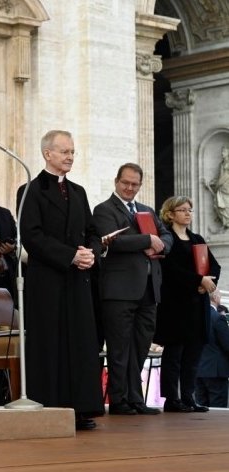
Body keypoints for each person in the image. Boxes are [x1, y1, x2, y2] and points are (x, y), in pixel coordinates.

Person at [19, 130, 104, 431]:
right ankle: (51, 407)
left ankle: (82, 408)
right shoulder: (30, 190)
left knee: (81, 343)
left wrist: (91, 252)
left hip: (78, 279)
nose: (70, 157)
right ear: (47, 154)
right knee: (50, 343)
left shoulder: (79, 191)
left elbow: (93, 231)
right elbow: (32, 236)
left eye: (72, 152)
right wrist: (70, 255)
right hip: (48, 280)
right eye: (64, 151)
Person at [92, 163, 172, 416]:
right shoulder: (103, 209)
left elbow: (167, 236)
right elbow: (112, 240)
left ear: (140, 185)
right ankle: (118, 400)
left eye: (134, 184)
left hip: (149, 290)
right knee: (119, 348)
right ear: (116, 181)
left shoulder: (147, 211)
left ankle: (135, 399)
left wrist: (161, 245)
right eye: (125, 182)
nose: (129, 188)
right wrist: (148, 240)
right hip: (118, 291)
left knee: (140, 346)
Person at [154, 196, 220, 413]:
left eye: (189, 210)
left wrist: (207, 283)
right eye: (182, 210)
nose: (187, 213)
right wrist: (197, 281)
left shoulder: (197, 239)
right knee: (174, 355)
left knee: (193, 353)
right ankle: (172, 399)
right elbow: (170, 270)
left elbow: (214, 266)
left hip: (197, 304)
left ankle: (189, 397)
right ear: (170, 214)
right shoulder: (168, 239)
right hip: (175, 306)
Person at [195, 290, 229, 408]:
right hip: (216, 371)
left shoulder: (196, 317)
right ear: (215, 297)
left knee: (201, 406)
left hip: (198, 369)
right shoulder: (218, 318)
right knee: (217, 408)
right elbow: (227, 345)